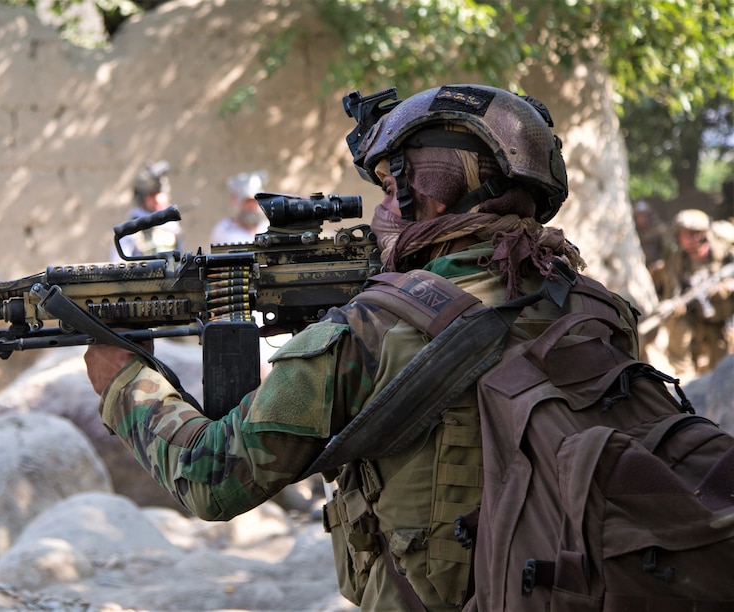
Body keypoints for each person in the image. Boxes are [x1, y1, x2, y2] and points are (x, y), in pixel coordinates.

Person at [84, 84, 639, 610]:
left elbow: (212, 478)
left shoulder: (370, 331)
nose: (383, 210)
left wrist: (125, 383)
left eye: (388, 186)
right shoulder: (600, 312)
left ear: (424, 195)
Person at [649, 208, 734, 378]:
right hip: (698, 317)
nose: (687, 239)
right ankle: (686, 376)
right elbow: (674, 292)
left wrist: (724, 288)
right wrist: (675, 304)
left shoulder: (725, 253)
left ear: (702, 235)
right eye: (683, 234)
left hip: (727, 316)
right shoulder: (677, 259)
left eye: (692, 234)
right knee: (675, 323)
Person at [112, 160, 182, 259]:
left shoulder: (171, 225)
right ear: (142, 198)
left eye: (160, 193)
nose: (158, 199)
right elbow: (118, 266)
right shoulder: (131, 228)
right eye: (152, 195)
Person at [209, 170, 269, 245]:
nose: (252, 206)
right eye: (247, 201)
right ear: (235, 201)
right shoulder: (224, 230)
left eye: (255, 201)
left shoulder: (266, 228)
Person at [632, 199, 667, 272]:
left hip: (657, 265)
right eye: (639, 216)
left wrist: (661, 262)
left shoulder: (659, 230)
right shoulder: (633, 233)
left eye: (644, 215)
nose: (642, 219)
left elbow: (667, 251)